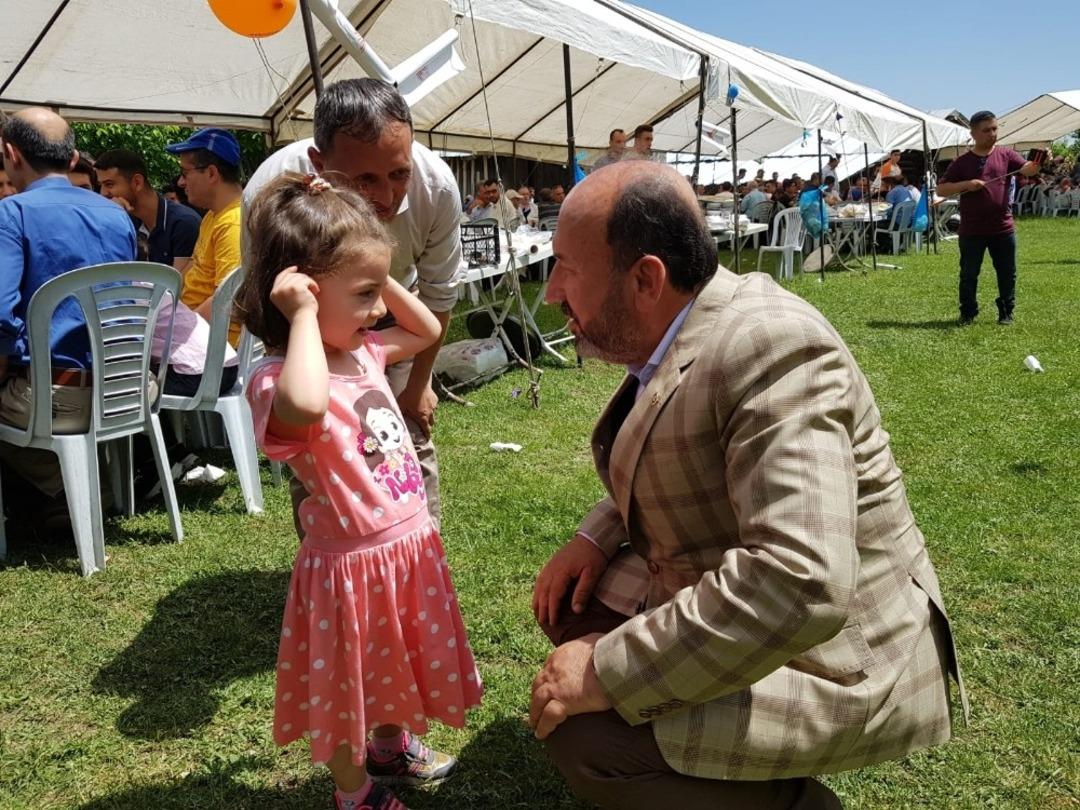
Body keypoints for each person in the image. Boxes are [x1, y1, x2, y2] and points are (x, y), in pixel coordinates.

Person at [528, 160, 964, 810]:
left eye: (568, 268)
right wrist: (593, 537)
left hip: (842, 656)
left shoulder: (770, 347)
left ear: (647, 278)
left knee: (591, 735)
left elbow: (801, 580)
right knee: (573, 609)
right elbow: (665, 451)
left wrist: (609, 670)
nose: (551, 293)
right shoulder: (689, 321)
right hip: (744, 594)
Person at [237, 172, 483, 810]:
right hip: (348, 567)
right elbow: (305, 403)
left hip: (403, 550)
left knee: (393, 662)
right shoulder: (279, 376)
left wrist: (375, 270)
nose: (380, 309)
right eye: (367, 294)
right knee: (349, 685)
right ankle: (355, 792)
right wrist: (306, 317)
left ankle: (390, 745)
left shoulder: (364, 351)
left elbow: (426, 328)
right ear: (305, 295)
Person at [244, 79, 463, 529]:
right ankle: (331, 544)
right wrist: (308, 334)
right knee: (320, 447)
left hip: (386, 313)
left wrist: (416, 385)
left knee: (404, 435)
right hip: (302, 327)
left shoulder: (435, 187)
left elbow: (438, 297)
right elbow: (270, 301)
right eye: (365, 179)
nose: (384, 196)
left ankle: (419, 543)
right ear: (319, 164)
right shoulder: (268, 194)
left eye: (399, 174)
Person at [0, 108, 137, 516]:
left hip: (53, 399)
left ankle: (61, 489)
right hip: (123, 391)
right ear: (74, 158)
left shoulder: (12, 213)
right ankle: (79, 484)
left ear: (11, 153)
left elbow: (2, 319)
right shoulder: (116, 214)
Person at [936, 110, 1040, 325]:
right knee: (969, 274)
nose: (992, 134)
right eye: (986, 130)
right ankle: (968, 313)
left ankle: (1006, 312)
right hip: (972, 230)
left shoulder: (1006, 155)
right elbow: (941, 190)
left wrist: (1036, 162)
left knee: (1007, 273)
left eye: (995, 128)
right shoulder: (962, 162)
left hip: (1002, 228)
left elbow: (1027, 170)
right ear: (973, 133)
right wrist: (967, 184)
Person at [165, 127, 245, 343]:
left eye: (185, 173)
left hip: (211, 350)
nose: (181, 183)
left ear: (211, 173)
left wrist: (174, 333)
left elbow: (226, 301)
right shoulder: (214, 216)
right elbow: (193, 269)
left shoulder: (233, 223)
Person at [95, 149, 202, 269]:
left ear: (137, 182)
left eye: (109, 184)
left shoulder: (183, 223)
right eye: (101, 185)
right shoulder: (126, 221)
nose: (103, 193)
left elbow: (177, 285)